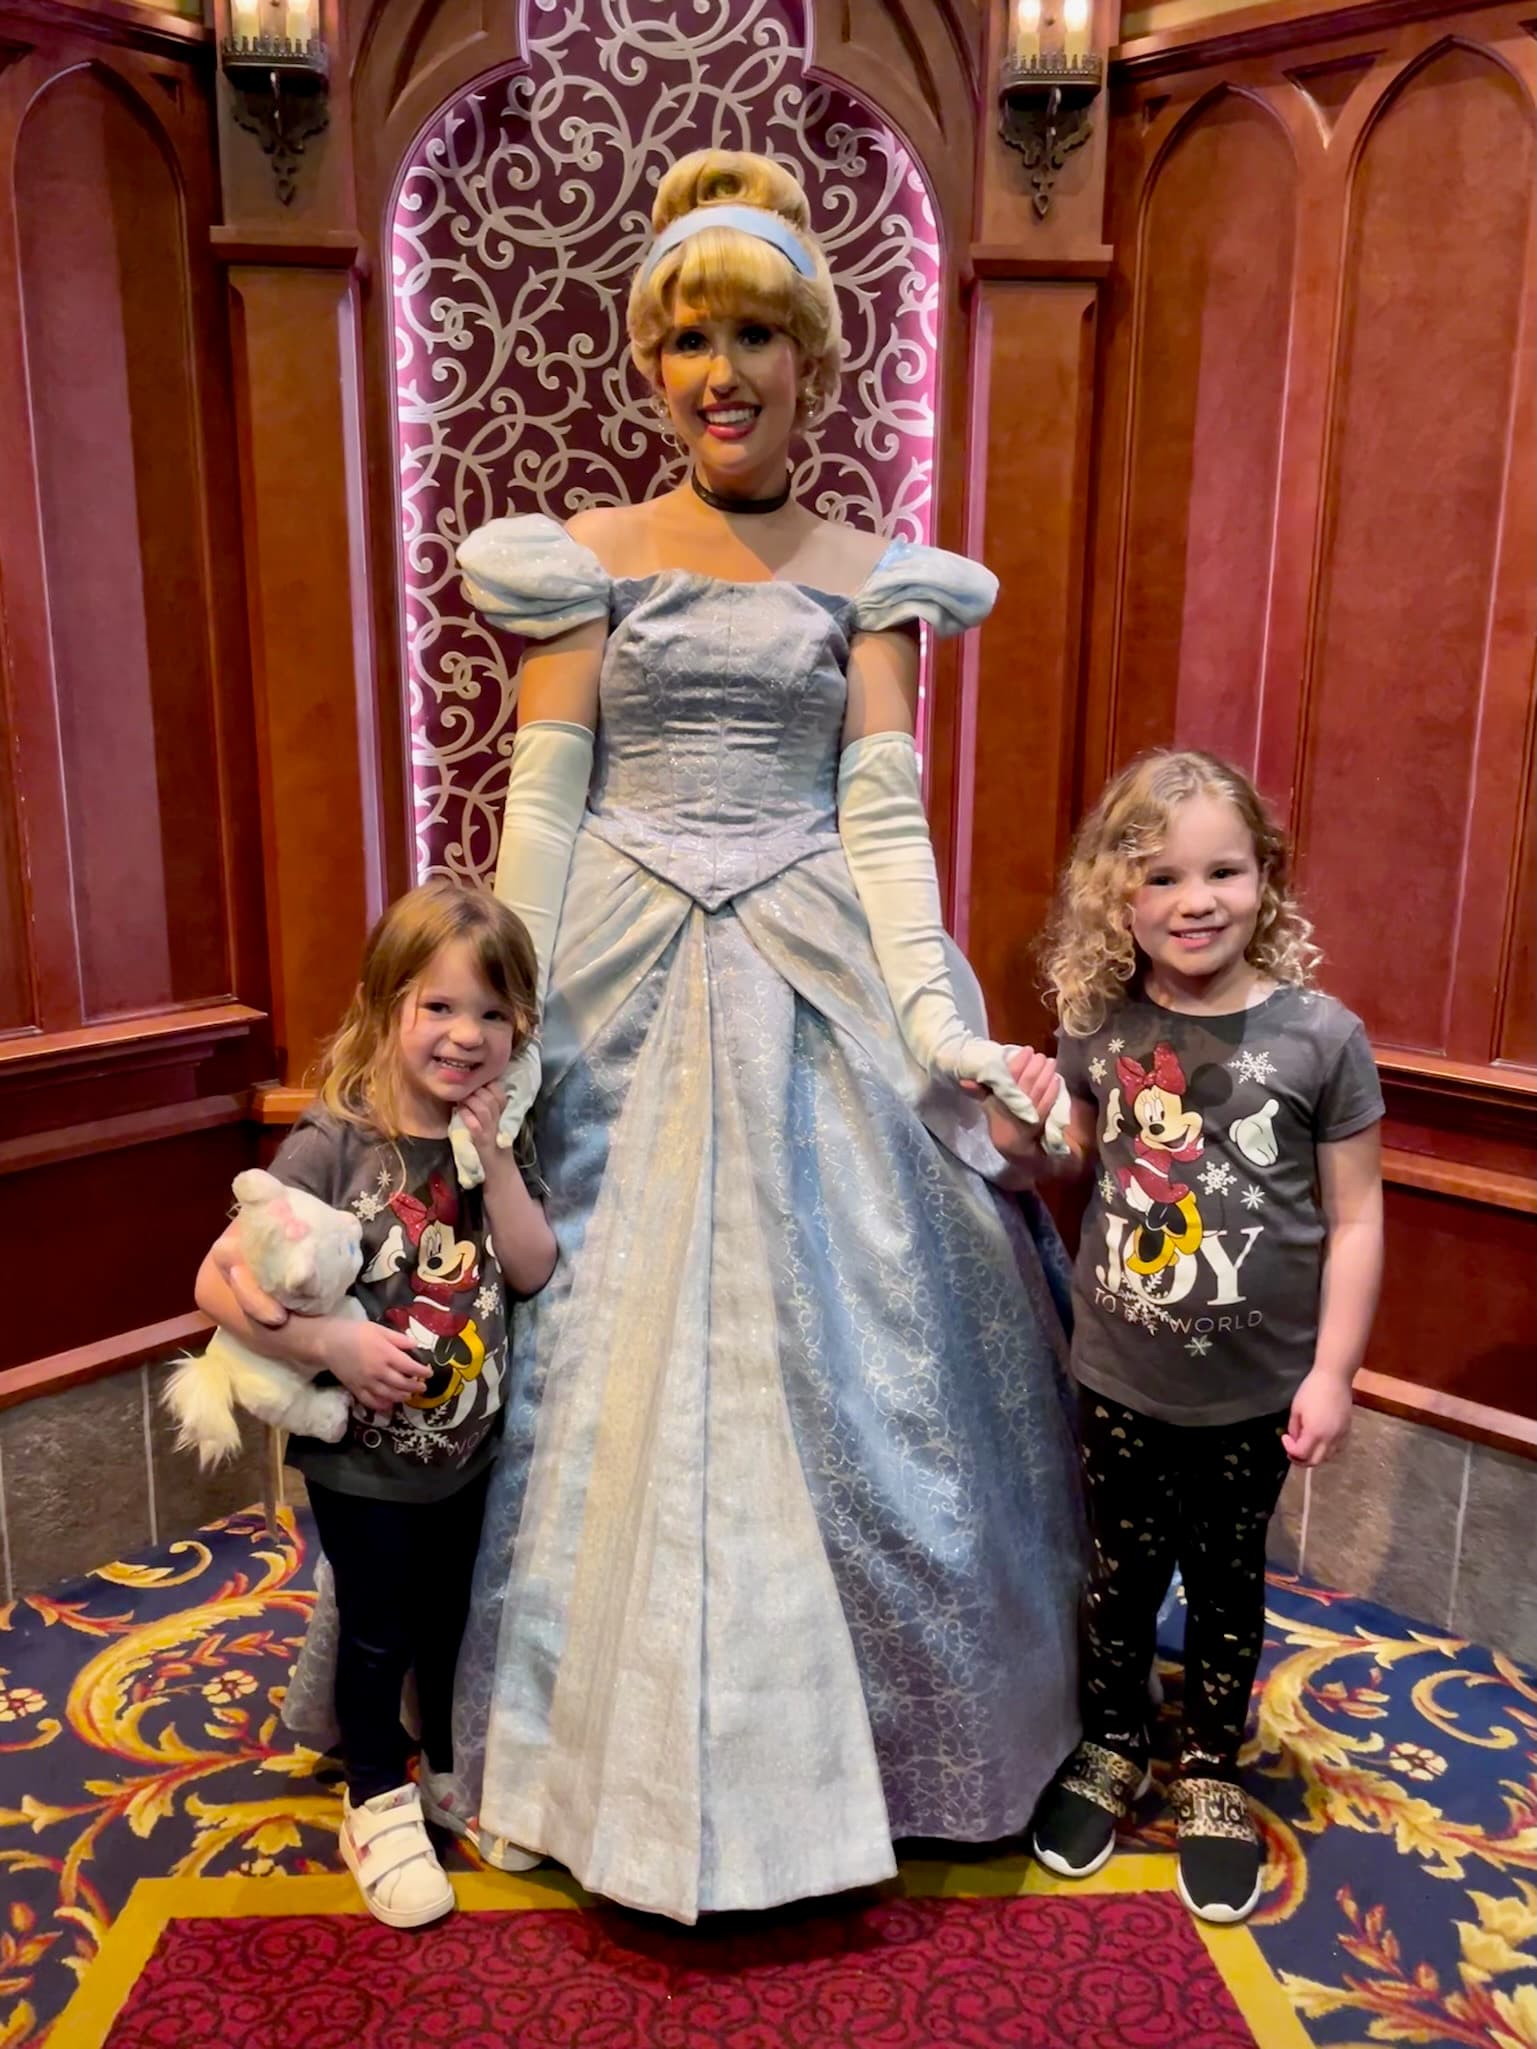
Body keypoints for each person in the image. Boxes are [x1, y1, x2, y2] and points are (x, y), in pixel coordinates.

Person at [357, 146, 1086, 1925]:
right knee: (545, 1313)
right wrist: (503, 1037)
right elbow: (540, 811)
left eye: (758, 333)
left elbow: (886, 826)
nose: (721, 372)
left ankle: (904, 1741)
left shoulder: (874, 576)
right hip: (610, 947)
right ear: (649, 363)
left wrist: (935, 1019)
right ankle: (541, 1746)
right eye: (689, 339)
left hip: (813, 958)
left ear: (813, 361)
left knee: (890, 1336)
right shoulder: (578, 562)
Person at [984, 748, 1383, 1925]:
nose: (1193, 900)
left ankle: (1210, 1768)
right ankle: (1112, 1743)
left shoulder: (1320, 1036)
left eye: (1222, 870)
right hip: (1116, 1371)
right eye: (1159, 877)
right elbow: (1053, 1162)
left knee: (1223, 1580)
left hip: (1257, 1391)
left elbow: (1357, 1215)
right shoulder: (1100, 1022)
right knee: (1117, 1575)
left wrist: (1335, 1372)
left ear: (1265, 875)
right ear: (1117, 893)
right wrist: (1012, 1116)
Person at [196, 880, 557, 1928]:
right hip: (364, 1460)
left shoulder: (492, 1137)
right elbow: (214, 1282)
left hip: (468, 1451)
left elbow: (530, 1270)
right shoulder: (334, 1141)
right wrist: (334, 1342)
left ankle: (443, 1771)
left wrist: (492, 1157)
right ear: (387, 1007)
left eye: (493, 1014)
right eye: (439, 1007)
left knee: (449, 1620)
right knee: (374, 1630)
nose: (466, 1035)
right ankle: (373, 1799)